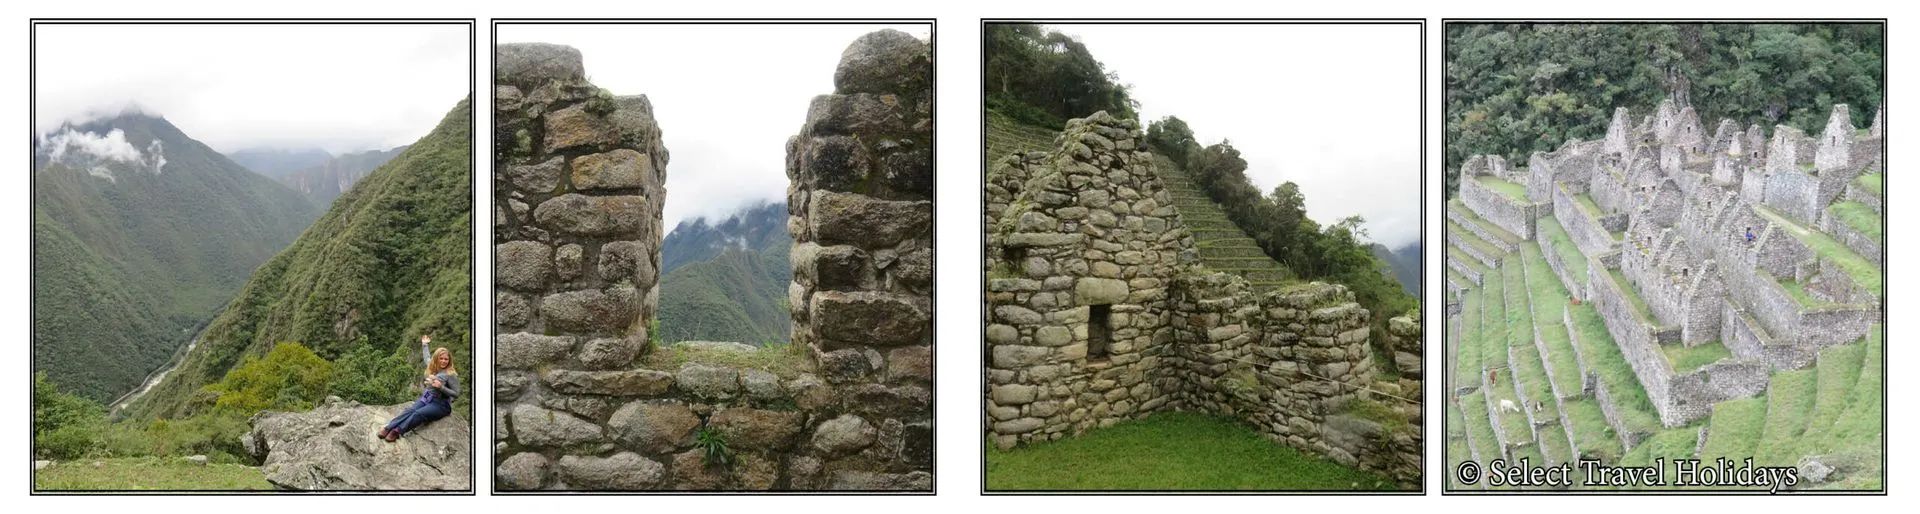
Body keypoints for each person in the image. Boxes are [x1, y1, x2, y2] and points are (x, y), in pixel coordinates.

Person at [378, 335, 459, 442]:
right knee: (410, 410)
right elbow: (427, 358)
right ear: (437, 359)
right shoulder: (433, 367)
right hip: (427, 398)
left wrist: (441, 387)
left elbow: (456, 394)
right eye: (441, 358)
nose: (444, 361)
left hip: (441, 405)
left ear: (449, 360)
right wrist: (425, 344)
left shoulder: (450, 374)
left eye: (446, 359)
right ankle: (388, 427)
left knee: (418, 413)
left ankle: (397, 431)